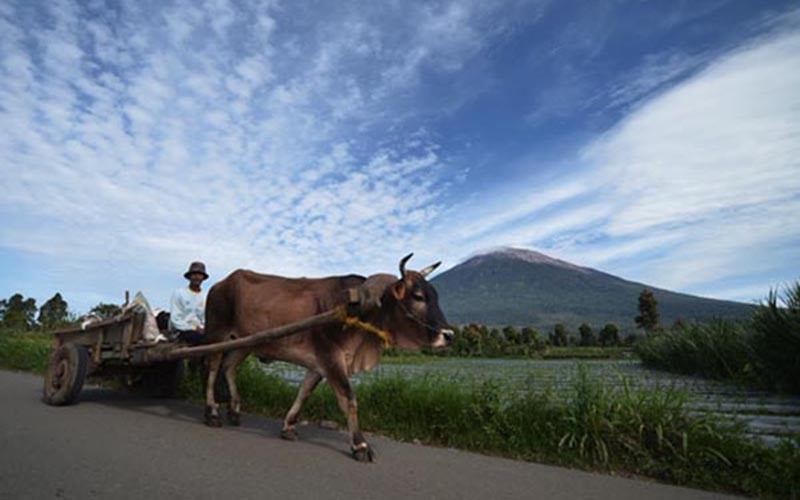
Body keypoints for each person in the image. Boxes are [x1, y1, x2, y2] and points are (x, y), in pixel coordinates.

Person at [169, 261, 208, 345]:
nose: (197, 277)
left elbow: (205, 319)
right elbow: (175, 320)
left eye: (199, 275)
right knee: (199, 339)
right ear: (190, 277)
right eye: (194, 274)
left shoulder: (205, 297)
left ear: (203, 278)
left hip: (201, 331)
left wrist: (203, 328)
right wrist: (194, 328)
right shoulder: (179, 293)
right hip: (182, 331)